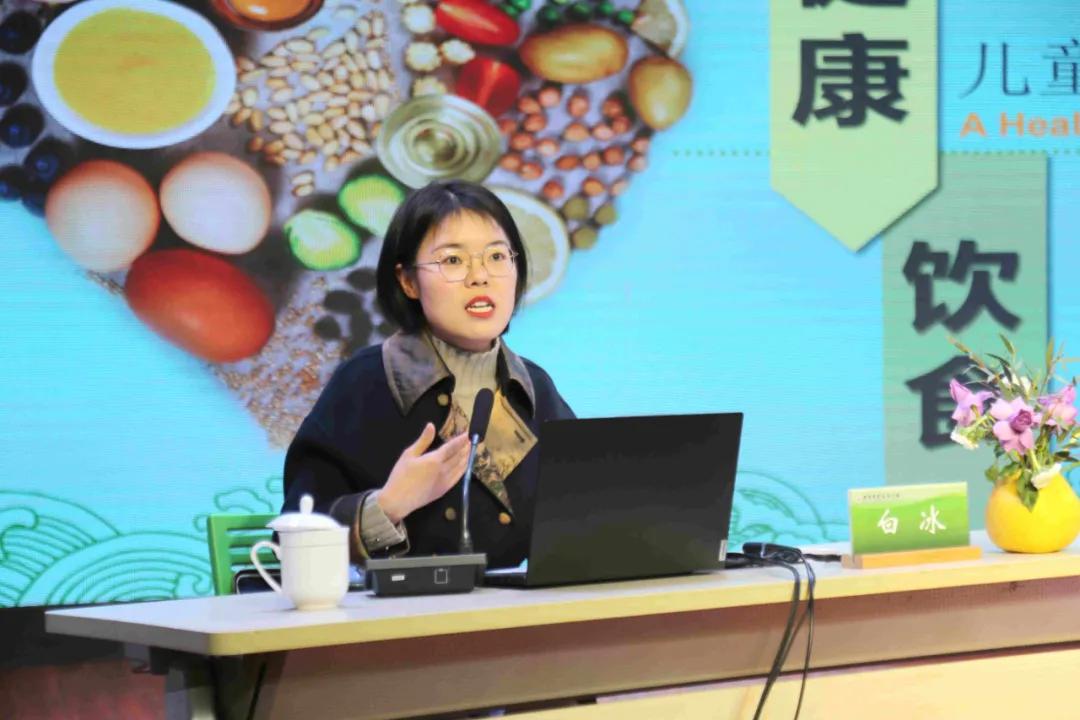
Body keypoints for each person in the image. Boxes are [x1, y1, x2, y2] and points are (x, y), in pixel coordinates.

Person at [282, 180, 575, 568]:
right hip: (408, 607)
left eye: (496, 256)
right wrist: (388, 504)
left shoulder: (534, 386)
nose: (480, 276)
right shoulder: (365, 382)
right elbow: (293, 538)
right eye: (453, 261)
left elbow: (583, 510)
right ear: (408, 281)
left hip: (517, 605)